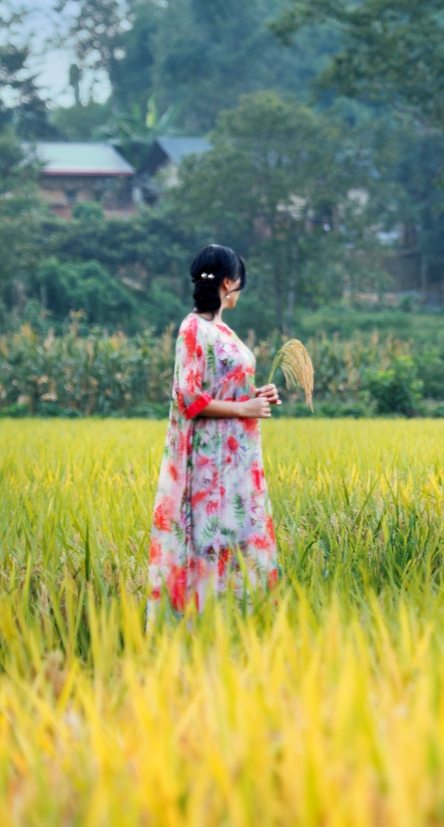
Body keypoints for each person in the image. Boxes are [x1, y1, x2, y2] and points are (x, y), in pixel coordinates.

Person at [148, 245, 281, 619]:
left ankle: (240, 624)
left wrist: (257, 395)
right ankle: (203, 627)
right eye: (240, 284)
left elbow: (223, 388)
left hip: (239, 458)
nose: (239, 290)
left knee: (239, 538)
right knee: (211, 541)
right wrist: (244, 408)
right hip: (210, 463)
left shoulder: (222, 329)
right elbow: (189, 397)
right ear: (228, 283)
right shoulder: (193, 328)